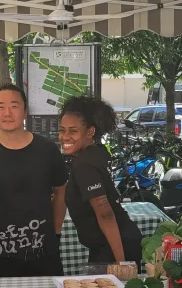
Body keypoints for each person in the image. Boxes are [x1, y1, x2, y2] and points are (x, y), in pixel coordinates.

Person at [0, 84, 68, 277]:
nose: (7, 113)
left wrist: (55, 233)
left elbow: (61, 191)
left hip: (45, 252)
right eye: (0, 107)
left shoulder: (47, 150)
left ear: (25, 111)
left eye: (14, 106)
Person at [59, 96, 143, 266]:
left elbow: (105, 213)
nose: (65, 136)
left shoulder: (84, 164)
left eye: (73, 131)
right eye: (62, 130)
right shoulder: (98, 152)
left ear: (90, 132)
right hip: (116, 242)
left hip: (113, 247)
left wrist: (121, 262)